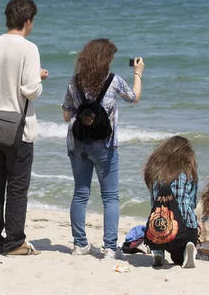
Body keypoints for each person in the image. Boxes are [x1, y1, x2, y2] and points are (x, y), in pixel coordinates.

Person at [0, 0, 48, 256]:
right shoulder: (29, 49)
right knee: (17, 186)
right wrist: (39, 78)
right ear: (27, 21)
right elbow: (31, 91)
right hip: (19, 129)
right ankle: (15, 242)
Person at [62, 38, 144, 259]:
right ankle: (109, 248)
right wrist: (138, 72)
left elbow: (67, 115)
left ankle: (80, 245)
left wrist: (84, 113)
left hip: (78, 143)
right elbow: (134, 98)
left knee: (80, 193)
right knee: (110, 197)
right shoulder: (113, 81)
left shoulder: (74, 82)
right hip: (105, 145)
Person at [143, 135, 198, 268]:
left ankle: (158, 251)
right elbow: (192, 202)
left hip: (161, 226)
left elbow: (153, 203)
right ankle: (187, 247)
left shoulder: (156, 173)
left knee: (157, 227)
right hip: (185, 227)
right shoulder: (189, 173)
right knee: (178, 258)